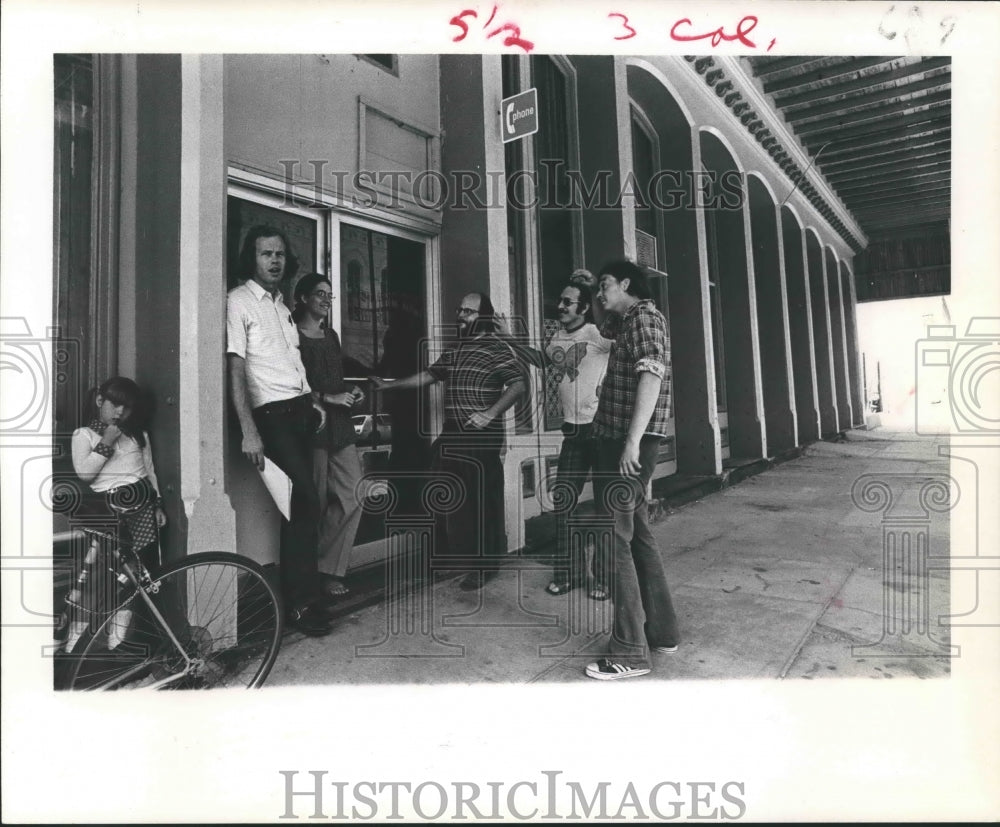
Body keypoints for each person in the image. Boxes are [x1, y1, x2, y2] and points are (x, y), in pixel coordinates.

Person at [371, 292, 527, 591]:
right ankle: (446, 554)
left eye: (468, 312)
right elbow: (428, 376)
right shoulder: (456, 350)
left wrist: (489, 412)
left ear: (483, 316)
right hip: (454, 431)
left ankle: (483, 567)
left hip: (482, 435)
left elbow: (518, 385)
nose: (461, 316)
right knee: (434, 483)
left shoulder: (497, 348)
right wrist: (389, 385)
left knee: (481, 500)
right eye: (460, 310)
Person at [227, 225, 332, 636]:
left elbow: (291, 362)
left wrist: (312, 399)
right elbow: (236, 369)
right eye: (266, 253)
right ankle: (301, 604)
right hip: (271, 416)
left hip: (300, 412)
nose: (275, 260)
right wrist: (248, 429)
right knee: (305, 502)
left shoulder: (283, 307)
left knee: (301, 507)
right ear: (250, 259)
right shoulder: (238, 302)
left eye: (280, 254)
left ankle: (303, 599)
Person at [586, 259, 680, 680]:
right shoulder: (626, 322)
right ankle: (661, 631)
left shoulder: (645, 318)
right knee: (638, 534)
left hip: (627, 445)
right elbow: (593, 332)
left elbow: (652, 377)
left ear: (626, 283)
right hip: (624, 441)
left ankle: (629, 651)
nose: (600, 292)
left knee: (616, 538)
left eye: (605, 284)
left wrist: (630, 442)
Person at [61, 376, 167, 652]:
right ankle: (74, 637)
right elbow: (85, 474)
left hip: (141, 510)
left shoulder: (138, 435)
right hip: (108, 513)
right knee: (98, 573)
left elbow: (149, 471)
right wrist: (106, 441)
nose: (120, 412)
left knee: (138, 571)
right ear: (100, 401)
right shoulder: (84, 435)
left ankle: (118, 637)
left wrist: (156, 505)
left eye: (127, 408)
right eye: (115, 404)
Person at [293, 272, 366, 599]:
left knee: (354, 495)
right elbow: (292, 386)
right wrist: (326, 398)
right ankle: (311, 573)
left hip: (341, 426)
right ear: (304, 298)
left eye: (330, 295)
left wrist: (349, 391)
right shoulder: (292, 335)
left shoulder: (332, 335)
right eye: (320, 294)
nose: (326, 300)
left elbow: (334, 378)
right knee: (316, 502)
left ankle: (325, 566)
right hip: (313, 427)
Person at [542, 280, 612, 598]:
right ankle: (568, 573)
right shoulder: (558, 337)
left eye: (569, 302)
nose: (561, 306)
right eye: (560, 300)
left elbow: (622, 347)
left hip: (599, 430)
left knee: (605, 506)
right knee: (564, 501)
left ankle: (602, 577)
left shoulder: (596, 335)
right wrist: (506, 338)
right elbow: (543, 359)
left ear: (583, 308)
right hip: (572, 431)